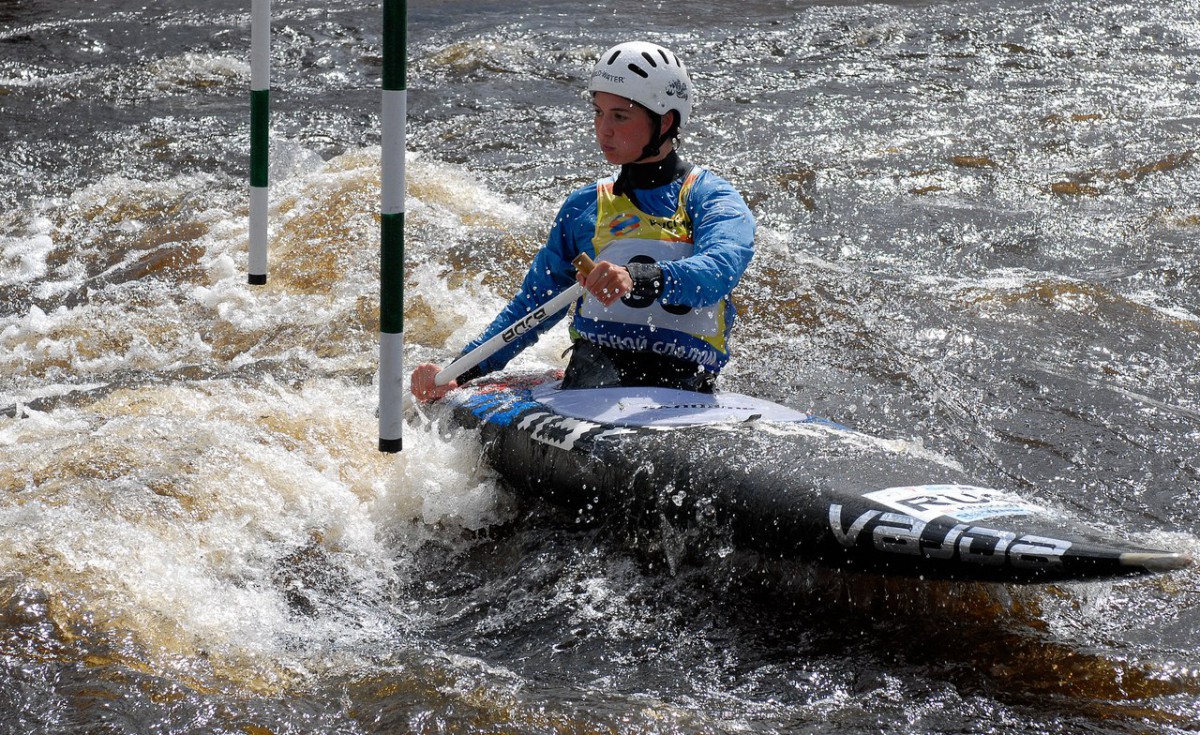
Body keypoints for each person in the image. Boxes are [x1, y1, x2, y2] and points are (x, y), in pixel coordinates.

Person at [410, 41, 755, 402]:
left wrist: (637, 277)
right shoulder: (585, 207)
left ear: (664, 121)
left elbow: (719, 271)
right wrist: (460, 372)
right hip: (590, 383)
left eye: (619, 116)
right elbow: (533, 307)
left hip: (688, 386)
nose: (603, 130)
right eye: (598, 112)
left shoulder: (711, 198)